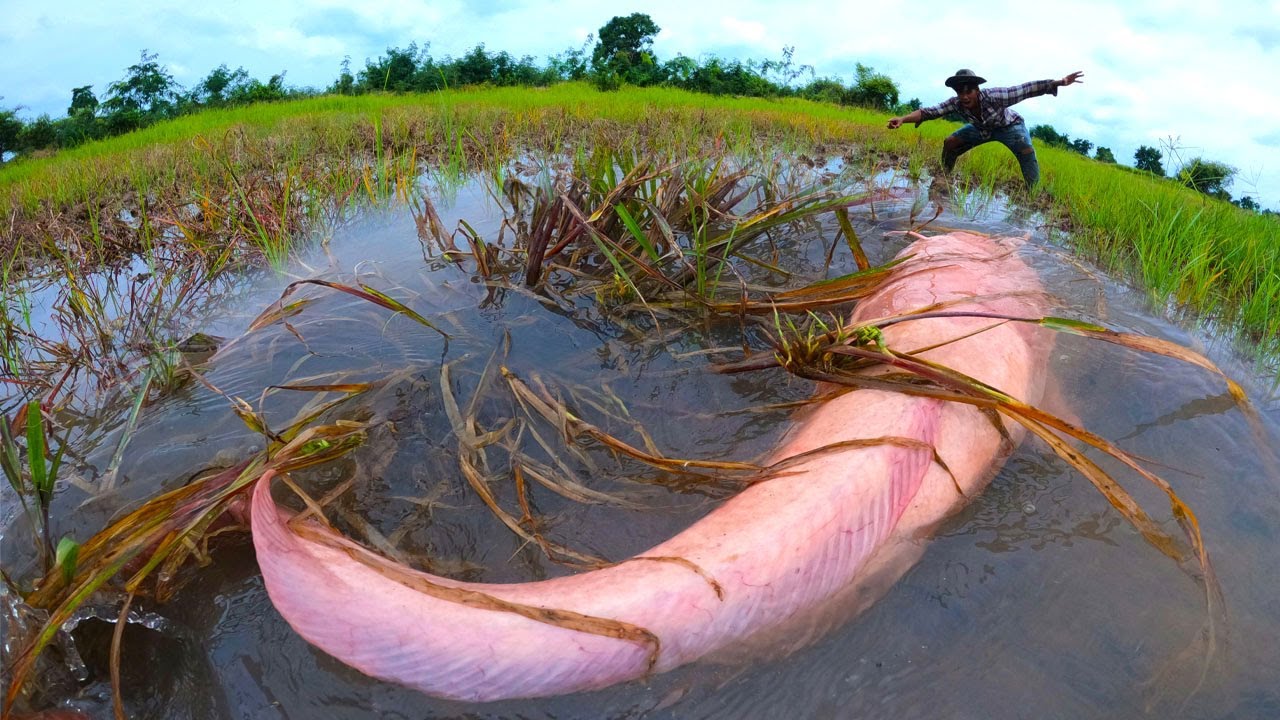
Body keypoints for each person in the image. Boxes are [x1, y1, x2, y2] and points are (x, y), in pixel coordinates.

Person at [887, 68, 1084, 190]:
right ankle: (943, 177)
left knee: (1026, 150)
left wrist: (1058, 83)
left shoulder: (994, 96)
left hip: (1009, 127)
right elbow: (929, 112)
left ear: (977, 90)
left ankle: (1033, 191)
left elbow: (1025, 90)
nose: (964, 97)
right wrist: (903, 119)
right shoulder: (956, 103)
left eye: (969, 91)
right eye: (960, 92)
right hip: (982, 129)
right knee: (950, 142)